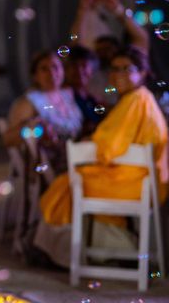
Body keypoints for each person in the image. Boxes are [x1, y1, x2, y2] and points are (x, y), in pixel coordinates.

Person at [35, 47, 168, 268]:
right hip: (140, 180)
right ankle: (106, 250)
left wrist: (88, 143)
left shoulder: (136, 99)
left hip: (136, 184)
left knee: (66, 184)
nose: (119, 74)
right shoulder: (137, 98)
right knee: (72, 181)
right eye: (114, 69)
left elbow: (108, 146)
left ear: (143, 73)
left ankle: (64, 255)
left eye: (127, 69)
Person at [3, 50, 84, 175]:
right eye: (44, 69)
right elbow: (8, 139)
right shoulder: (29, 102)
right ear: (35, 76)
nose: (52, 73)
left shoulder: (67, 94)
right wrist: (36, 129)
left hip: (76, 151)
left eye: (55, 67)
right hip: (53, 164)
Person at [63, 45, 105, 136]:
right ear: (65, 70)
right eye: (74, 65)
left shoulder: (93, 100)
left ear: (92, 70)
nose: (79, 70)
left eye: (84, 65)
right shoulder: (61, 99)